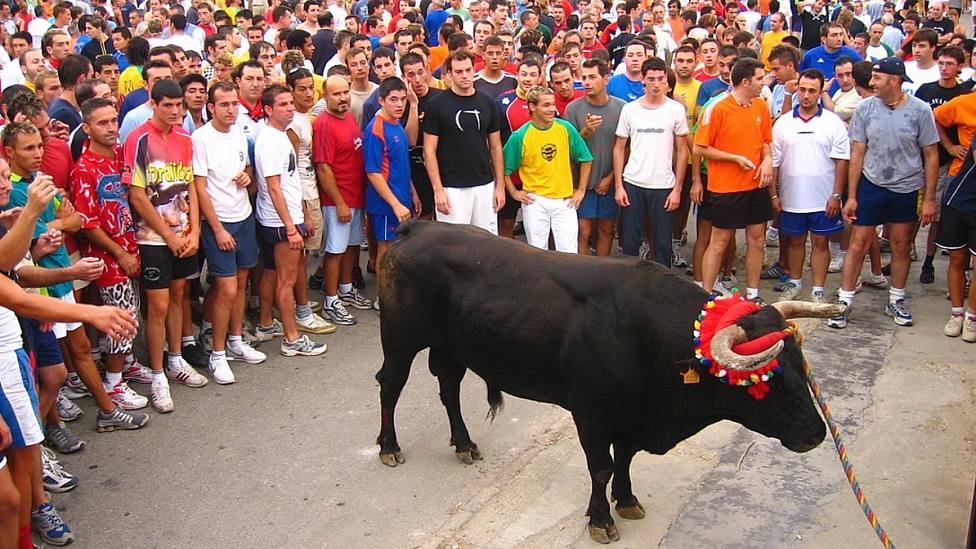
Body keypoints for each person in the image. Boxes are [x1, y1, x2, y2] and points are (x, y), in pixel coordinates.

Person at [828, 57, 940, 329]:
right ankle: (844, 301)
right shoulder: (865, 109)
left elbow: (931, 154)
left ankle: (897, 299)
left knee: (902, 245)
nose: (872, 82)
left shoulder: (920, 111)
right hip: (871, 184)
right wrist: (851, 195)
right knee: (858, 243)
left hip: (906, 187)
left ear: (894, 80)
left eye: (878, 77)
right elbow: (857, 152)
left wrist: (930, 199)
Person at [124, 79, 210, 413]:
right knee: (157, 306)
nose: (175, 111)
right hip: (153, 238)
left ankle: (176, 359)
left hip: (184, 234)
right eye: (168, 106)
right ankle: (158, 373)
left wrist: (195, 231)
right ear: (154, 103)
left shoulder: (186, 138)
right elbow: (137, 195)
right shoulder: (138, 139)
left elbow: (190, 185)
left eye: (179, 105)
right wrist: (169, 235)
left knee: (179, 297)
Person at [193, 82, 267, 384]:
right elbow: (199, 187)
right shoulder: (200, 139)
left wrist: (247, 177)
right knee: (225, 289)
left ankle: (236, 341)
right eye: (224, 104)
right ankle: (218, 353)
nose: (231, 109)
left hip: (244, 216)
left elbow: (247, 168)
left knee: (242, 281)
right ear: (211, 107)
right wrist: (217, 228)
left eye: (234, 104)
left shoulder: (239, 132)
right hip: (219, 222)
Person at [254, 85, 329, 356]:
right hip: (280, 221)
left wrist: (304, 214)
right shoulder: (270, 141)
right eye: (283, 104)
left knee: (274, 273)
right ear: (268, 110)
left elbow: (290, 181)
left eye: (290, 103)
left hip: (286, 217)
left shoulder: (281, 135)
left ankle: (265, 323)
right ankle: (291, 338)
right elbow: (274, 187)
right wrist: (290, 227)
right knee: (286, 280)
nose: (290, 108)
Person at [693, 58, 774, 300]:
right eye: (760, 78)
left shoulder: (761, 106)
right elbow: (700, 147)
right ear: (745, 81)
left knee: (757, 240)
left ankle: (753, 293)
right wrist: (734, 158)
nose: (763, 83)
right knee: (720, 241)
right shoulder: (717, 108)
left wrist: (768, 160)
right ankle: (706, 296)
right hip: (726, 187)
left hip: (756, 185)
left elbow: (766, 141)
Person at [771, 69, 851, 303]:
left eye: (812, 91)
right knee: (795, 242)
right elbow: (774, 163)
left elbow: (842, 161)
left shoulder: (833, 123)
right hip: (791, 197)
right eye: (802, 89)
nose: (806, 95)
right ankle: (795, 284)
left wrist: (836, 195)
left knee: (820, 242)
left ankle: (817, 290)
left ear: (820, 92)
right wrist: (774, 195)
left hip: (823, 198)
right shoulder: (782, 123)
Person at [614, 57, 690, 266]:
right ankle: (628, 289)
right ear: (643, 81)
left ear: (666, 81)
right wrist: (619, 186)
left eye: (660, 79)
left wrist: (677, 189)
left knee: (663, 245)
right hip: (633, 183)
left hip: (664, 185)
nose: (656, 84)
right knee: (629, 244)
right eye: (651, 79)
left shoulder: (675, 110)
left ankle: (662, 291)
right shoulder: (630, 109)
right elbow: (619, 147)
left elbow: (682, 150)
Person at [423, 50, 505, 234]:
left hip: (484, 185)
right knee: (453, 249)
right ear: (449, 74)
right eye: (459, 71)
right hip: (451, 188)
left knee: (487, 244)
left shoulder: (488, 103)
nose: (465, 75)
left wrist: (499, 187)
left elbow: (496, 147)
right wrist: (438, 190)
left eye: (468, 70)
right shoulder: (436, 105)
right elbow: (429, 151)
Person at [314, 75, 373, 326]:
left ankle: (347, 289)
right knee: (335, 251)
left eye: (345, 92)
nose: (343, 98)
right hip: (337, 200)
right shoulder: (324, 124)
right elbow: (323, 168)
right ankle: (330, 300)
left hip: (355, 195)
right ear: (325, 96)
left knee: (351, 246)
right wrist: (338, 202)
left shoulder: (347, 116)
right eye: (336, 94)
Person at [503, 85, 592, 253]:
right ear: (532, 107)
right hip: (535, 202)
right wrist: (514, 193)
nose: (553, 109)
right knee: (537, 253)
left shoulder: (566, 129)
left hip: (565, 201)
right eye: (546, 105)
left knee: (569, 253)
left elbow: (585, 158)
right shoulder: (520, 136)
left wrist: (581, 190)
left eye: (553, 104)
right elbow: (504, 168)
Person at [915, 45, 968, 285]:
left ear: (959, 67)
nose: (945, 69)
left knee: (934, 213)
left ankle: (928, 260)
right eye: (942, 63)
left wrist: (948, 147)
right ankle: (906, 250)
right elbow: (925, 117)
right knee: (912, 213)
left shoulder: (964, 94)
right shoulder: (926, 89)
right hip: (920, 158)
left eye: (950, 64)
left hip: (948, 163)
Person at [364, 77, 420, 304]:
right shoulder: (375, 129)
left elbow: (400, 162)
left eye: (402, 99)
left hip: (402, 198)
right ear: (381, 101)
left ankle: (395, 291)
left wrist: (412, 192)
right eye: (393, 100)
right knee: (385, 250)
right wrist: (395, 204)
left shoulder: (396, 123)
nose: (399, 104)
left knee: (397, 248)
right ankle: (383, 298)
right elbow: (373, 172)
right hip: (385, 203)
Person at [566, 58, 625, 257]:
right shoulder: (573, 109)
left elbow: (626, 148)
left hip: (608, 181)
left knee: (606, 230)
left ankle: (602, 272)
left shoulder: (622, 108)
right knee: (583, 232)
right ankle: (582, 274)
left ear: (606, 79)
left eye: (592, 77)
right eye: (584, 78)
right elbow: (570, 149)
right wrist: (586, 132)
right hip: (583, 184)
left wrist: (611, 179)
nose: (587, 82)